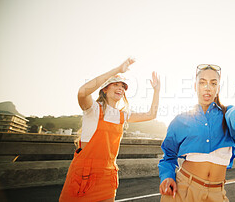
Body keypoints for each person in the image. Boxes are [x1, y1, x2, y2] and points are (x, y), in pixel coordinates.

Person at [59, 58, 160, 202]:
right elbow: (82, 92)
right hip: (84, 174)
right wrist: (117, 70)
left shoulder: (122, 115)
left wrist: (156, 90)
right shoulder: (93, 109)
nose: (121, 88)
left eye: (123, 87)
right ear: (105, 89)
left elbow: (152, 114)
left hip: (108, 174)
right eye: (116, 84)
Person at [158, 64, 235, 202]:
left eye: (213, 83)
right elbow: (168, 156)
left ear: (218, 88)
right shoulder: (181, 120)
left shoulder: (226, 115)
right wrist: (167, 176)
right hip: (183, 190)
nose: (207, 87)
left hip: (217, 194)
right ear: (195, 86)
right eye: (202, 82)